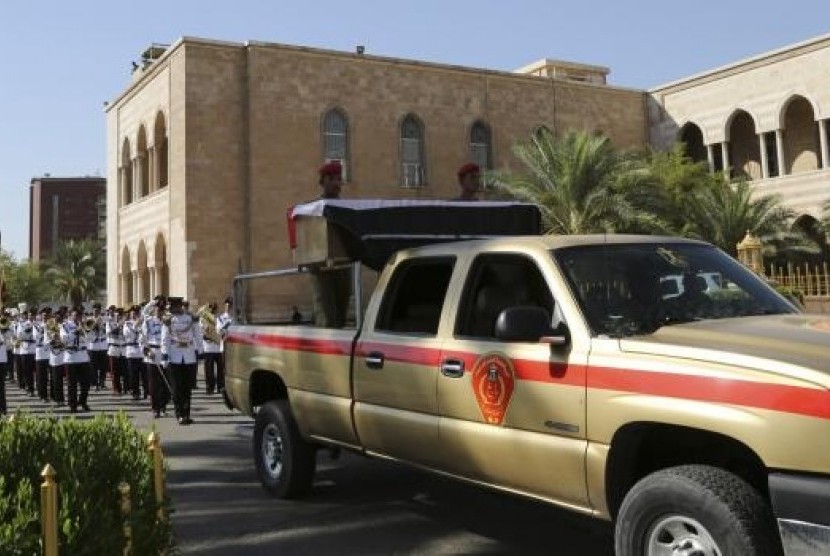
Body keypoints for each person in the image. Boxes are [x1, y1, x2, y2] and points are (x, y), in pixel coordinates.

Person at [162, 297, 200, 425]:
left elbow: (197, 333)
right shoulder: (168, 320)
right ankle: (179, 414)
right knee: (177, 388)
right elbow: (165, 338)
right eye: (172, 307)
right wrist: (165, 355)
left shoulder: (190, 318)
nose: (173, 309)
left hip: (188, 355)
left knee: (187, 388)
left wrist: (200, 350)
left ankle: (186, 414)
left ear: (179, 306)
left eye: (174, 307)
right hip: (174, 356)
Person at [141, 300, 169, 417]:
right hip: (152, 353)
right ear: (154, 309)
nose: (159, 312)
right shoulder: (148, 322)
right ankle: (155, 408)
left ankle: (163, 406)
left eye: (161, 310)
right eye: (157, 309)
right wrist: (147, 351)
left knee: (165, 383)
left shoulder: (167, 322)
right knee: (153, 384)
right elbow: (142, 339)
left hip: (164, 353)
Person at [60, 307, 91, 413]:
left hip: (83, 356)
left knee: (86, 383)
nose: (77, 317)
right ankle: (73, 405)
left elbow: (90, 339)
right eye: (75, 315)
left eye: (79, 315)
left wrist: (85, 330)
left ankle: (83, 401)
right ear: (70, 315)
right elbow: (64, 339)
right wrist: (75, 332)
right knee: (72, 384)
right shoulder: (65, 326)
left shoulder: (84, 325)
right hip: (71, 357)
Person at [200, 303, 221, 395]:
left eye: (214, 309)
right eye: (211, 309)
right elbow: (201, 332)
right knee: (209, 370)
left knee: (220, 369)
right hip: (208, 347)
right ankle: (210, 388)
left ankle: (220, 387)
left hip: (218, 347)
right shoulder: (203, 319)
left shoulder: (219, 319)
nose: (213, 310)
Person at [87, 303, 108, 390]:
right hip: (92, 346)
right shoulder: (89, 319)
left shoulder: (105, 319)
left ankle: (102, 382)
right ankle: (95, 383)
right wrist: (96, 323)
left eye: (98, 310)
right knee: (93, 366)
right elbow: (88, 330)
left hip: (103, 346)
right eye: (95, 310)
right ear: (92, 310)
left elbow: (107, 331)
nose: (96, 311)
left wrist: (101, 325)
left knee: (103, 366)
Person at [216, 297, 233, 394]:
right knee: (224, 368)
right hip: (225, 346)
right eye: (227, 305)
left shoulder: (238, 316)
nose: (229, 307)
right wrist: (228, 324)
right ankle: (223, 386)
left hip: (236, 346)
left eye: (231, 305)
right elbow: (219, 330)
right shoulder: (221, 318)